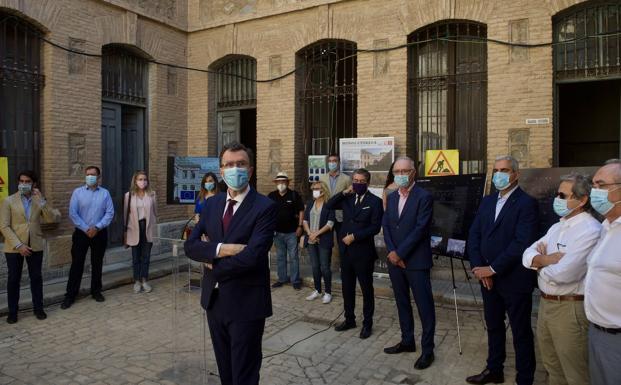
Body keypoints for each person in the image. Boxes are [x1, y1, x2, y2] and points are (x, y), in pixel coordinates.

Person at [184, 141, 276, 385]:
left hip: (247, 303)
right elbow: (190, 245)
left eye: (241, 164)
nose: (235, 169)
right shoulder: (212, 204)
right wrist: (221, 249)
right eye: (229, 165)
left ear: (251, 169)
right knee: (225, 371)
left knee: (244, 374)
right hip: (214, 302)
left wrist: (213, 262)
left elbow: (253, 256)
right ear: (221, 171)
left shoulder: (265, 207)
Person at [466, 155, 539, 385]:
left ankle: (524, 378)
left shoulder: (527, 203)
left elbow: (521, 243)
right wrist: (480, 269)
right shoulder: (487, 201)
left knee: (521, 332)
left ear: (515, 174)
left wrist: (492, 269)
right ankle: (494, 369)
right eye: (496, 169)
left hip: (514, 280)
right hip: (487, 279)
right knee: (494, 326)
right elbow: (474, 234)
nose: (499, 174)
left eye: (505, 170)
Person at [522, 173, 600, 385]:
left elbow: (564, 275)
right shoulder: (556, 227)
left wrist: (537, 265)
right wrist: (547, 259)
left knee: (575, 373)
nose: (557, 199)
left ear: (582, 200)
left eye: (562, 195)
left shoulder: (590, 230)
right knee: (552, 367)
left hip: (570, 309)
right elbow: (526, 255)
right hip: (546, 304)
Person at [382, 156, 436, 370]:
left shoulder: (424, 197)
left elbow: (420, 229)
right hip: (396, 261)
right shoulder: (392, 196)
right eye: (398, 171)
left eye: (405, 171)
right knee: (402, 302)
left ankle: (427, 350)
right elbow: (386, 226)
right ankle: (407, 341)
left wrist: (400, 253)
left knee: (425, 307)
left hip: (416, 262)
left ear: (414, 172)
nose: (401, 175)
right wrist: (393, 252)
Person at [326, 168, 383, 339]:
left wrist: (355, 236)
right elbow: (329, 205)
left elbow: (375, 227)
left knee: (366, 290)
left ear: (368, 183)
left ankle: (367, 323)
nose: (357, 184)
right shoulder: (348, 198)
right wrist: (344, 192)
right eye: (355, 181)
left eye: (361, 181)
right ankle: (349, 319)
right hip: (346, 252)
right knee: (347, 288)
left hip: (363, 253)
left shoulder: (375, 201)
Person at [0, 170, 60, 324]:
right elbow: (4, 226)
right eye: (21, 181)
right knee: (14, 279)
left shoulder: (38, 200)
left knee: (36, 277)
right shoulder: (8, 201)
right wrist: (19, 245)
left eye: (27, 181)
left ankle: (38, 308)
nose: (24, 184)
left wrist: (42, 201)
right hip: (14, 247)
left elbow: (51, 219)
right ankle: (13, 311)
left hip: (35, 244)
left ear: (34, 184)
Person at [584, 159, 621, 385]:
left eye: (601, 185)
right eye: (593, 185)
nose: (594, 191)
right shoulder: (606, 228)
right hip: (596, 332)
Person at [61, 166, 114, 309]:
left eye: (93, 175)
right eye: (88, 175)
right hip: (81, 234)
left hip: (99, 233)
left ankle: (96, 291)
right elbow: (73, 213)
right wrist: (86, 228)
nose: (90, 177)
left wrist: (97, 228)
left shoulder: (105, 193)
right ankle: (70, 295)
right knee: (77, 264)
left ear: (99, 177)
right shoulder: (77, 193)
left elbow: (109, 213)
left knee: (97, 263)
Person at [268, 172, 304, 290]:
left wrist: (300, 226)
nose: (281, 184)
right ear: (276, 183)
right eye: (279, 182)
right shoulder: (271, 196)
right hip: (277, 232)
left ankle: (295, 280)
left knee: (293, 256)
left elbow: (301, 211)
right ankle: (282, 279)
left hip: (292, 232)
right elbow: (267, 212)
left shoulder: (294, 195)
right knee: (280, 256)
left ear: (288, 183)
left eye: (283, 182)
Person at [124, 171, 158, 294]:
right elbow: (125, 215)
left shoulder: (152, 194)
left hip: (147, 227)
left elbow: (155, 212)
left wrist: (154, 228)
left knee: (146, 256)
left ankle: (144, 280)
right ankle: (137, 281)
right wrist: (126, 231)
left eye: (144, 179)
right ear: (135, 181)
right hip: (134, 228)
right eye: (140, 179)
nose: (142, 182)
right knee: (135, 257)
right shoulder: (129, 195)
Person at [302, 181, 335, 304]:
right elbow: (305, 220)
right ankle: (317, 290)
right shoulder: (310, 203)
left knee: (325, 267)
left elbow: (330, 223)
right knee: (315, 267)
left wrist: (317, 233)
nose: (314, 191)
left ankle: (328, 292)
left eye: (317, 188)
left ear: (323, 190)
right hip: (311, 240)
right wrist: (310, 233)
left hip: (324, 240)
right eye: (313, 189)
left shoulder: (328, 204)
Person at [319, 154, 352, 253]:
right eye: (330, 161)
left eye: (334, 161)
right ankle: (326, 266)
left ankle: (343, 266)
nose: (332, 163)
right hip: (326, 213)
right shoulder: (322, 178)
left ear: (338, 163)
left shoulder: (346, 179)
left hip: (340, 215)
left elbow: (350, 197)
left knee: (341, 241)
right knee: (325, 242)